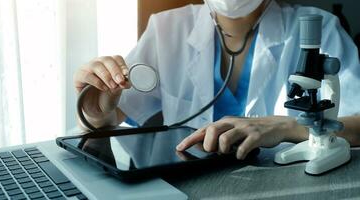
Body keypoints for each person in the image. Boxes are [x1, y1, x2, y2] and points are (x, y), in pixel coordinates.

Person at [73, 0, 360, 160]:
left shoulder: (319, 27)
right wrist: (97, 110)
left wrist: (284, 126)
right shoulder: (167, 29)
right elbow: (108, 120)